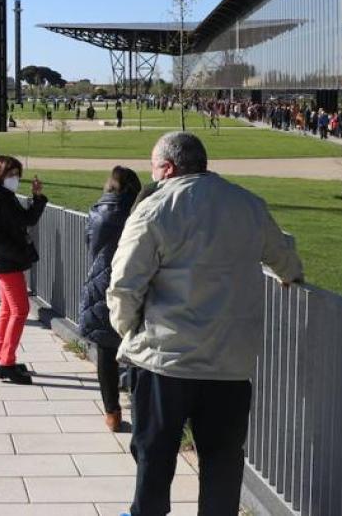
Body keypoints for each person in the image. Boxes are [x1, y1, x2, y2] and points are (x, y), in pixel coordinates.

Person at [108, 132, 304, 515]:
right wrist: (291, 275)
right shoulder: (247, 204)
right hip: (228, 362)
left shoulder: (155, 208)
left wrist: (127, 329)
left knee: (154, 452)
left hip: (166, 360)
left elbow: (124, 284)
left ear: (167, 167)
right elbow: (283, 255)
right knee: (222, 459)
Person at [79, 165, 142, 431]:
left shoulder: (96, 212)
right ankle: (139, 408)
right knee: (137, 347)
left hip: (101, 282)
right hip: (131, 282)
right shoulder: (135, 214)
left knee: (106, 349)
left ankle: (111, 411)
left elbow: (88, 242)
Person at [0, 155, 47, 385]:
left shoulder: (4, 197)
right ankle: (6, 363)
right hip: (6, 263)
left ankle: (1, 358)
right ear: (0, 175)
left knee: (8, 311)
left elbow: (26, 220)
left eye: (17, 175)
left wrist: (37, 197)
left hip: (5, 262)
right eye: (11, 175)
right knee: (20, 310)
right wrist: (20, 255)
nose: (15, 179)